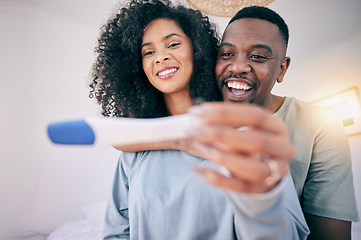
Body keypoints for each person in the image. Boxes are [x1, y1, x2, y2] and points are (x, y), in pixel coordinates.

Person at [118, 5, 360, 239]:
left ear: (282, 69)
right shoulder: (195, 121)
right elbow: (120, 136)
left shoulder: (318, 127)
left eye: (257, 56)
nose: (238, 67)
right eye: (227, 54)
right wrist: (181, 138)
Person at [90, 0, 309, 239]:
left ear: (198, 49)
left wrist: (261, 198)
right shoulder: (134, 152)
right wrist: (181, 140)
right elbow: (117, 231)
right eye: (148, 52)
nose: (160, 57)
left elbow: (285, 233)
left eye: (172, 44)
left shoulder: (247, 140)